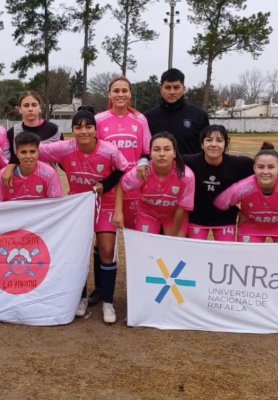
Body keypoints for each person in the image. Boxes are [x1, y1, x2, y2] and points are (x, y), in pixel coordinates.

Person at [38, 107, 129, 324]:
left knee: (107, 249)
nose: (83, 131)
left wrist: (105, 185)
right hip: (78, 207)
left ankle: (108, 302)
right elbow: (34, 149)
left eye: (88, 126)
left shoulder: (109, 150)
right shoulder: (65, 148)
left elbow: (123, 170)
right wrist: (14, 165)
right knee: (77, 253)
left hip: (104, 205)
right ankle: (81, 297)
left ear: (96, 130)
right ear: (72, 131)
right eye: (78, 127)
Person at [89, 76, 152, 306]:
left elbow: (146, 150)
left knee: (138, 244)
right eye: (116, 90)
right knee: (104, 245)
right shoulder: (99, 120)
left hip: (136, 192)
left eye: (125, 90)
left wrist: (144, 162)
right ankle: (100, 290)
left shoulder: (140, 119)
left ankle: (141, 291)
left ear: (130, 93)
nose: (120, 94)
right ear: (109, 94)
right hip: (108, 190)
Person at [184, 125, 278, 241]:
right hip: (196, 220)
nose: (214, 144)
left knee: (227, 254)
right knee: (194, 255)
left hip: (226, 221)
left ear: (226, 144)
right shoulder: (190, 161)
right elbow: (169, 160)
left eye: (219, 140)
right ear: (202, 144)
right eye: (209, 140)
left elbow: (267, 167)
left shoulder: (239, 164)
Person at [214, 142, 278, 243]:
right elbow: (221, 202)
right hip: (252, 225)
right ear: (254, 168)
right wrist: (238, 212)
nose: (265, 172)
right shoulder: (243, 188)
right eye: (260, 167)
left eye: (271, 167)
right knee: (247, 257)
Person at [118, 132, 195, 236]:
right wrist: (118, 213)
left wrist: (172, 238)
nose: (162, 154)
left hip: (173, 215)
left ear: (174, 153)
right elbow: (121, 185)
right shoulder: (142, 172)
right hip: (147, 215)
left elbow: (182, 209)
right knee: (145, 250)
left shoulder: (186, 176)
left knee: (174, 249)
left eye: (167, 149)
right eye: (157, 149)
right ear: (150, 153)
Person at [144, 68, 209, 155]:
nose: (172, 92)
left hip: (191, 168)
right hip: (159, 168)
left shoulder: (199, 116)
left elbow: (206, 148)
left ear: (184, 89)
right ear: (161, 89)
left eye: (176, 87)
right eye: (167, 87)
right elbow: (144, 150)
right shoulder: (148, 117)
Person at [0, 132, 62, 202]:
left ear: (38, 152)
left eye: (32, 151)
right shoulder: (3, 174)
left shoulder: (50, 173)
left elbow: (56, 205)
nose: (28, 156)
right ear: (17, 153)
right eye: (23, 152)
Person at [6, 91, 63, 164]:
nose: (30, 109)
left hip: (48, 175)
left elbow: (63, 160)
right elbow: (10, 160)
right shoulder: (12, 132)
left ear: (40, 108)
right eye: (26, 105)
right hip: (21, 175)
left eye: (34, 105)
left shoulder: (54, 130)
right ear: (20, 109)